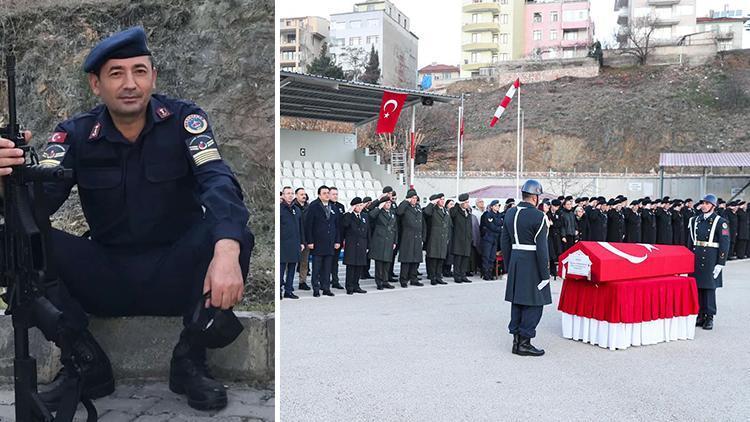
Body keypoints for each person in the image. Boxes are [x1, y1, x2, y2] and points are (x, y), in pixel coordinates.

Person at [0, 27, 254, 411]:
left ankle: (189, 360)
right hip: (106, 274)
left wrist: (227, 248)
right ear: (96, 84)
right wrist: (7, 180)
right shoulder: (76, 134)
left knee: (233, 233)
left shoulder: (185, 121)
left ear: (153, 76)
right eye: (116, 73)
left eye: (139, 71)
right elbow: (34, 208)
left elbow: (217, 181)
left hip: (177, 270)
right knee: (13, 239)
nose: (130, 83)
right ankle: (84, 360)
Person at [500, 180, 551, 357]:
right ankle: (525, 342)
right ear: (536, 197)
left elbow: (504, 242)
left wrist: (509, 265)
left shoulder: (510, 213)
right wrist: (545, 274)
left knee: (518, 301)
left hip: (515, 259)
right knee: (534, 302)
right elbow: (542, 248)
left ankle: (516, 341)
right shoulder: (539, 217)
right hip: (532, 261)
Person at [687, 194, 730, 330]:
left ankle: (709, 316)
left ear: (713, 206)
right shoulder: (695, 220)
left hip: (711, 257)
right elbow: (690, 241)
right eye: (703, 203)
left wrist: (721, 262)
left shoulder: (720, 221)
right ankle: (699, 315)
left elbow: (724, 242)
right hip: (697, 255)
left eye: (707, 203)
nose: (704, 205)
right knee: (697, 287)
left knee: (709, 288)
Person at [304, 185, 341, 297]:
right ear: (319, 195)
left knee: (327, 268)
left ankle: (326, 288)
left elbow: (337, 226)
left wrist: (337, 241)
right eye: (324, 193)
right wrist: (309, 241)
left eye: (327, 193)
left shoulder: (333, 208)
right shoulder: (313, 206)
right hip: (317, 242)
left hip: (330, 243)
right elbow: (308, 225)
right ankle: (316, 288)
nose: (326, 195)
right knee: (317, 268)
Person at [367, 193, 398, 290]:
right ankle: (379, 282)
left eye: (389, 202)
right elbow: (370, 215)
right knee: (379, 263)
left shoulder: (392, 213)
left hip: (389, 240)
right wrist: (379, 207)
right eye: (386, 202)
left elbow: (395, 228)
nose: (388, 204)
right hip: (380, 240)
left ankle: (385, 281)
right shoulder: (378, 212)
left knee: (387, 262)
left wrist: (395, 241)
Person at [395, 189, 425, 287]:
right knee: (406, 260)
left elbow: (422, 223)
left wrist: (423, 238)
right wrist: (406, 201)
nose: (414, 200)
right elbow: (399, 212)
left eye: (416, 198)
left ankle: (414, 278)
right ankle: (403, 279)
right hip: (407, 237)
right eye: (412, 198)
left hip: (417, 237)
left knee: (415, 260)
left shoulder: (418, 207)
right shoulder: (405, 207)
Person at [341, 197, 369, 295]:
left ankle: (356, 285)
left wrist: (367, 245)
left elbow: (367, 232)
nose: (360, 207)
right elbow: (345, 224)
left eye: (361, 205)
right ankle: (349, 286)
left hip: (362, 244)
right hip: (351, 244)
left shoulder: (365, 216)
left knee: (359, 266)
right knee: (351, 267)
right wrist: (349, 212)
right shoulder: (348, 216)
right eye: (358, 206)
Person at [423, 193, 451, 285]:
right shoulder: (433, 210)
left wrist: (448, 237)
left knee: (441, 259)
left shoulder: (445, 210)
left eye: (443, 199)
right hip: (434, 238)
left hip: (443, 238)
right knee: (433, 259)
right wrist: (432, 203)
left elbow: (448, 225)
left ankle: (439, 276)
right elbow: (426, 212)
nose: (443, 201)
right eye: (441, 199)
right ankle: (433, 277)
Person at [280, 187, 303, 299]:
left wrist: (302, 242)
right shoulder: (280, 209)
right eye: (287, 193)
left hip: (295, 243)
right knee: (281, 269)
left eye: (291, 193)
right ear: (283, 195)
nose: (290, 195)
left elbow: (300, 227)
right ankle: (278, 291)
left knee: (292, 268)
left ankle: (288, 290)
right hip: (283, 244)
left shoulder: (296, 209)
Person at [450, 193, 473, 284]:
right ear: (462, 203)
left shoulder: (468, 212)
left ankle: (463, 275)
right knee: (458, 259)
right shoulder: (455, 210)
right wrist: (457, 205)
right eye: (466, 202)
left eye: (468, 202)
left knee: (465, 259)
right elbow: (452, 214)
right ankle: (457, 275)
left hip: (466, 239)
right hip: (458, 239)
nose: (468, 204)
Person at [480, 200, 502, 280]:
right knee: (486, 256)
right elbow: (492, 226)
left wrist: (499, 227)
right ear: (492, 206)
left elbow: (501, 224)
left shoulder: (500, 215)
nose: (497, 207)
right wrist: (500, 228)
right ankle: (485, 273)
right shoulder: (488, 215)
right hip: (488, 238)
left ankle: (490, 272)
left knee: (492, 257)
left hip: (495, 239)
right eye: (495, 205)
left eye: (498, 205)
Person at [294, 187, 312, 291]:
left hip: (306, 239)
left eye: (304, 194)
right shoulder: (292, 207)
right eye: (301, 194)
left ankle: (302, 281)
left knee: (304, 262)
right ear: (296, 195)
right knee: (290, 262)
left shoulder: (308, 208)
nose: (304, 196)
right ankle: (287, 282)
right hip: (294, 239)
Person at [328, 187, 346, 289]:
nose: (335, 196)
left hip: (338, 238)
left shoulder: (340, 206)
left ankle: (335, 280)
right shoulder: (326, 206)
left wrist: (341, 239)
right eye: (333, 194)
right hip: (328, 239)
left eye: (336, 194)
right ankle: (323, 280)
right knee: (326, 261)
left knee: (335, 262)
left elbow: (341, 224)